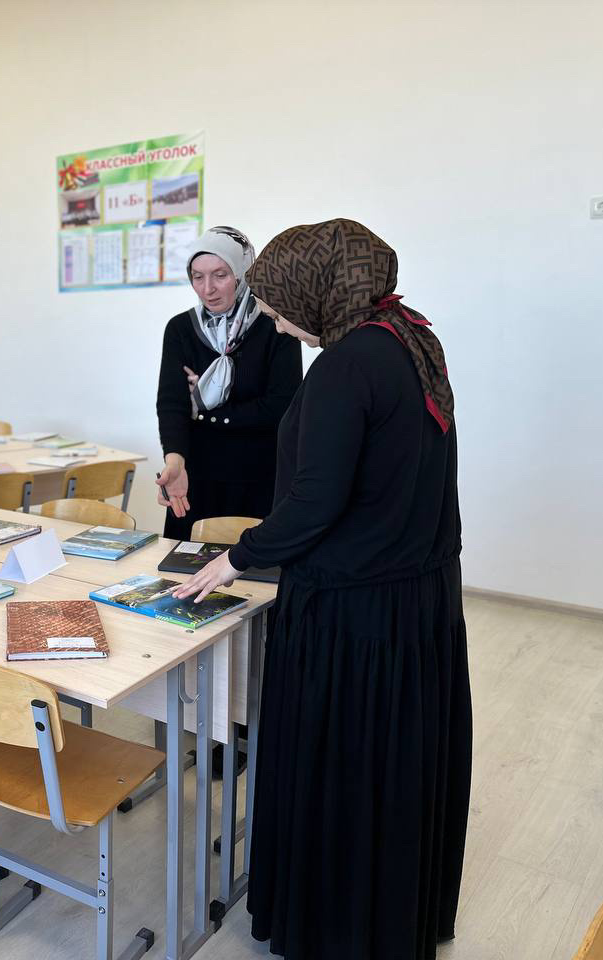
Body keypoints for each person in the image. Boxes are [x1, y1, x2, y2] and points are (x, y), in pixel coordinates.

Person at [175, 219, 470, 960]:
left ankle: (336, 928)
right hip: (415, 594)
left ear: (317, 291)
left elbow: (315, 501)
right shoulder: (409, 336)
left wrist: (236, 559)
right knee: (390, 769)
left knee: (345, 768)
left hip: (353, 605)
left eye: (279, 307)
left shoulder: (346, 364)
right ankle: (386, 921)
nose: (276, 322)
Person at [155, 225, 302, 540]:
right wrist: (174, 460)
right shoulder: (181, 329)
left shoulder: (276, 324)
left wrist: (206, 413)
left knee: (252, 568)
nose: (207, 288)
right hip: (194, 477)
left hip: (259, 477)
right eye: (197, 277)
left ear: (241, 274)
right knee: (183, 566)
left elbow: (282, 406)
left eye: (220, 275)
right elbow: (172, 404)